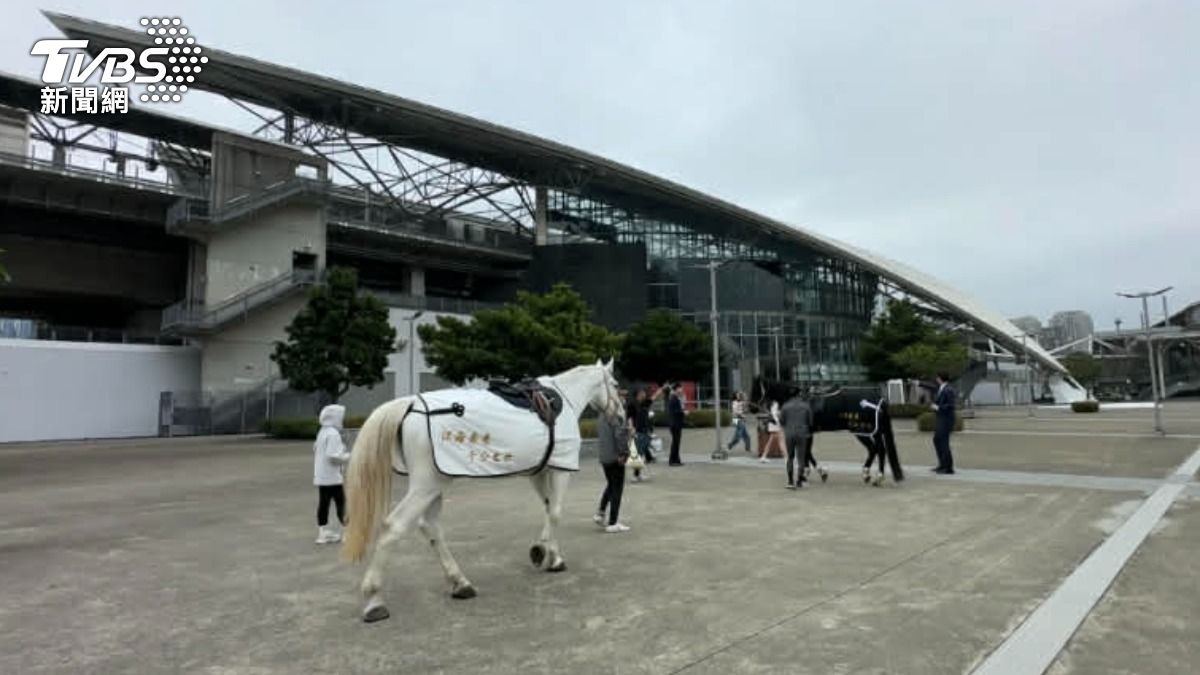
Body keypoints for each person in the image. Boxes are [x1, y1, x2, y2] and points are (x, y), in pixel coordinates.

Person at [313, 404, 351, 544]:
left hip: (321, 476)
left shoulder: (323, 431)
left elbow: (316, 448)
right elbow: (333, 456)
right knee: (341, 503)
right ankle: (348, 532)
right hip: (333, 477)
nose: (342, 419)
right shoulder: (333, 434)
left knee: (323, 503)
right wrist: (349, 456)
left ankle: (322, 533)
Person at [593, 410, 631, 533]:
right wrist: (623, 453)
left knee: (611, 484)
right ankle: (613, 522)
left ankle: (601, 512)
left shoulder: (601, 415)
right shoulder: (615, 415)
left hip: (604, 456)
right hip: (615, 457)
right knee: (617, 489)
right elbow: (619, 435)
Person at [626, 386, 663, 482]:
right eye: (643, 392)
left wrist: (660, 390)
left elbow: (653, 398)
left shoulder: (644, 403)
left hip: (645, 431)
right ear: (638, 394)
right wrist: (631, 428)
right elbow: (629, 417)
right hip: (636, 431)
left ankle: (638, 474)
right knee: (636, 454)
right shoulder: (632, 404)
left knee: (640, 454)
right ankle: (635, 475)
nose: (645, 394)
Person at [779, 390, 814, 489]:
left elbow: (782, 421)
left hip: (789, 433)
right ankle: (799, 480)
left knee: (790, 457)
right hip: (802, 433)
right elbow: (810, 422)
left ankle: (790, 481)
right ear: (799, 395)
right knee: (801, 458)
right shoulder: (806, 406)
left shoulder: (785, 406)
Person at [930, 373, 957, 474]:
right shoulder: (941, 388)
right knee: (937, 440)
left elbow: (951, 405)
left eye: (937, 377)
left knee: (944, 443)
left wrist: (938, 407)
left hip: (946, 419)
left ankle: (948, 468)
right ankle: (942, 464)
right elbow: (930, 386)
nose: (936, 379)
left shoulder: (948, 389)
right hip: (940, 419)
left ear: (940, 379)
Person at [758, 398, 783, 463]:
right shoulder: (775, 403)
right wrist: (778, 422)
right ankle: (763, 456)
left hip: (773, 424)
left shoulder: (773, 403)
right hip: (774, 424)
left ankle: (763, 456)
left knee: (773, 441)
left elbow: (774, 413)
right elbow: (774, 414)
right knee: (780, 441)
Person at [667, 384, 686, 466]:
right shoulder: (673, 399)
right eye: (680, 388)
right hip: (675, 424)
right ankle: (672, 460)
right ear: (676, 389)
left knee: (676, 443)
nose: (681, 390)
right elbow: (675, 412)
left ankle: (677, 460)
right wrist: (683, 412)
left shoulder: (676, 398)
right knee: (675, 443)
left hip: (677, 424)